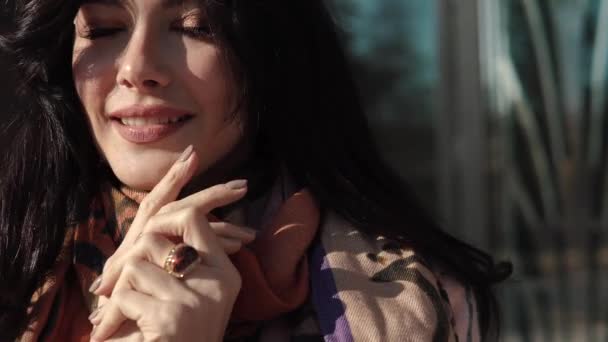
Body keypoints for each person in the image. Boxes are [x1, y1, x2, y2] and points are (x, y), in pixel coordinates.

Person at [0, 0, 511, 341]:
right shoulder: (16, 260)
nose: (136, 68)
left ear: (269, 56)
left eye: (195, 26)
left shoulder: (421, 299)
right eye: (105, 28)